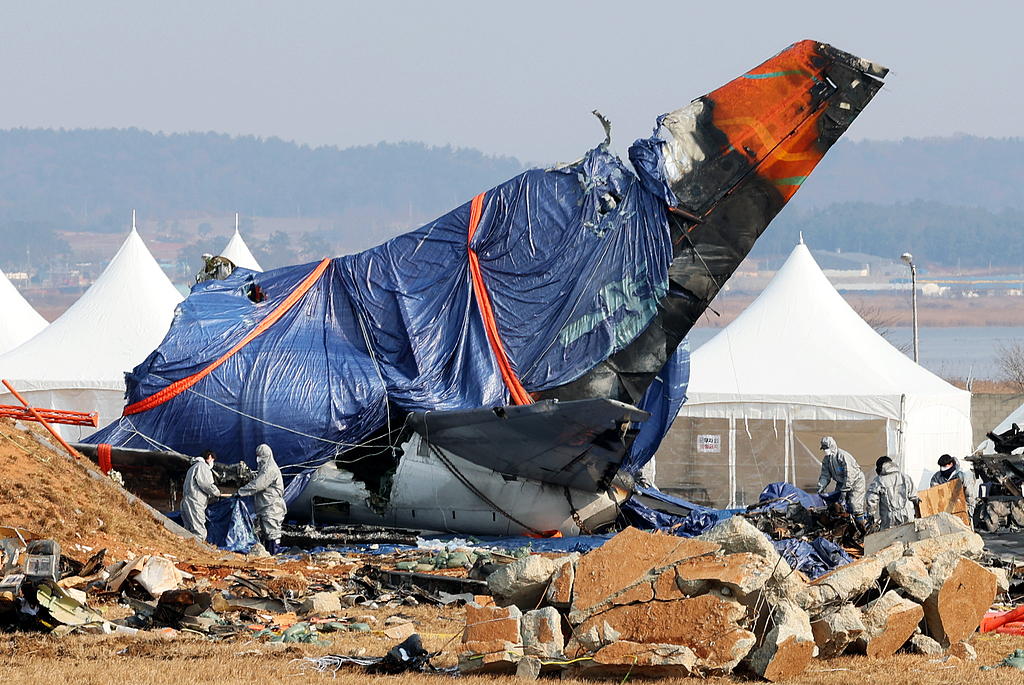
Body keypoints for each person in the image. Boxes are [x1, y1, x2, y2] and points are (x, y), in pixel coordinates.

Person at [237, 443, 286, 555]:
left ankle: (275, 554)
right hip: (265, 505)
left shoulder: (270, 469)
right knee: (266, 532)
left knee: (272, 532)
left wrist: (241, 492)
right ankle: (270, 554)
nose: (258, 458)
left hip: (271, 506)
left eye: (260, 455)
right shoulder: (264, 469)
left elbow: (258, 485)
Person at [817, 436, 867, 527]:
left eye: (826, 448)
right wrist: (821, 487)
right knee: (839, 505)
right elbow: (825, 475)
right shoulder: (827, 460)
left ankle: (861, 526)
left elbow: (850, 474)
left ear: (832, 446)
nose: (825, 450)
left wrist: (845, 490)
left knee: (854, 504)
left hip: (856, 481)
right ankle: (845, 526)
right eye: (824, 449)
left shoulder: (843, 456)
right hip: (841, 482)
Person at [866, 456, 918, 531]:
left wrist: (870, 514)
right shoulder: (904, 477)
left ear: (880, 467)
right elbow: (914, 496)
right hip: (906, 514)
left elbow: (871, 500)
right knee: (910, 537)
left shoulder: (878, 480)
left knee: (890, 540)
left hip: (889, 519)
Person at [181, 449, 221, 541]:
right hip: (195, 502)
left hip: (187, 501)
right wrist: (217, 493)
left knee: (189, 531)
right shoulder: (202, 466)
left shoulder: (193, 467)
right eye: (213, 460)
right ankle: (198, 552)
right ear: (210, 457)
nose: (212, 463)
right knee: (199, 533)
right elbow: (206, 484)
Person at [930, 454, 977, 518]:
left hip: (960, 511)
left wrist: (969, 512)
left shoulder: (962, 477)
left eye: (944, 466)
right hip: (943, 513)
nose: (942, 469)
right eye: (941, 466)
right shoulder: (937, 477)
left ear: (951, 464)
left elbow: (970, 495)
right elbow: (934, 493)